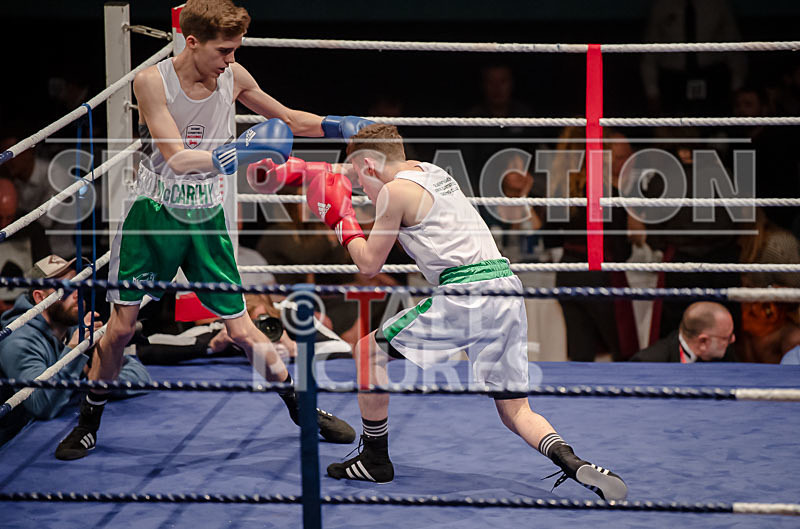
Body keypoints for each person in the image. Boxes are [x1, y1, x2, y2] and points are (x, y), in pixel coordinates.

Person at [54, 0, 374, 460]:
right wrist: (237, 153)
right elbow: (177, 155)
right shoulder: (152, 81)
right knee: (121, 328)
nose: (230, 59)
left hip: (206, 218)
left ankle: (304, 409)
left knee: (243, 328)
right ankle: (88, 422)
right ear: (191, 42)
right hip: (155, 216)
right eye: (224, 50)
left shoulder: (234, 76)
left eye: (235, 50)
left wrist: (338, 125)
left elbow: (287, 119)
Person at [293, 124, 627, 499]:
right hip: (505, 285)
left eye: (361, 180)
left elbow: (369, 264)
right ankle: (573, 461)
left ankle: (374, 459)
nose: (363, 193)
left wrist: (341, 221)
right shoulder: (429, 171)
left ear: (370, 165)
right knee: (516, 410)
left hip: (466, 291)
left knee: (368, 351)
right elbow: (371, 174)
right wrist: (317, 169)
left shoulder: (392, 193)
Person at [0, 255, 151, 446]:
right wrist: (75, 351)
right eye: (66, 287)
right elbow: (42, 405)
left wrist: (93, 378)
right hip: (16, 447)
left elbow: (140, 376)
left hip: (54, 432)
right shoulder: (18, 341)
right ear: (40, 297)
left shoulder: (71, 326)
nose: (77, 293)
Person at [630, 302, 734, 362]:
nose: (733, 339)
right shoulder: (649, 362)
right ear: (703, 341)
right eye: (726, 338)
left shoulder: (726, 356)